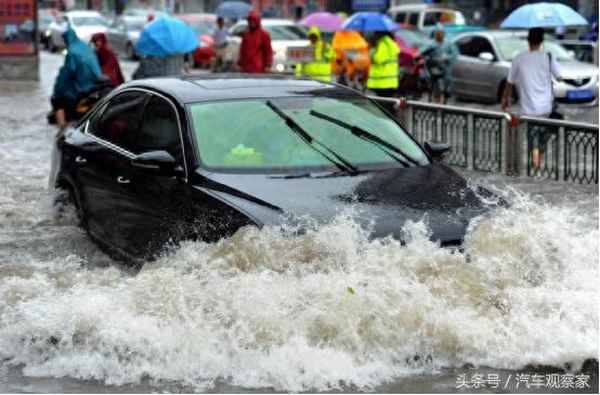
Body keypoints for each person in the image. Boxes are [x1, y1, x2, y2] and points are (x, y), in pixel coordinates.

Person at [501, 27, 563, 170]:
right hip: (546, 108)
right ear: (541, 41)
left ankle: (534, 161)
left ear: (528, 41)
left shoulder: (518, 58)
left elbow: (509, 83)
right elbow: (560, 77)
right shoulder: (548, 56)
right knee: (543, 137)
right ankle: (538, 161)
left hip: (528, 109)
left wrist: (505, 101)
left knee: (531, 138)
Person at [51, 28, 103, 131]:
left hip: (82, 87)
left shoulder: (72, 51)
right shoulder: (85, 47)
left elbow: (69, 71)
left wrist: (58, 90)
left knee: (58, 101)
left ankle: (62, 129)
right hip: (94, 84)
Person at [423, 27, 458, 103]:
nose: (439, 35)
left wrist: (447, 58)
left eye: (441, 33)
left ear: (444, 34)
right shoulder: (431, 44)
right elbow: (424, 54)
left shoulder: (448, 43)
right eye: (437, 33)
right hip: (434, 68)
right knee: (433, 83)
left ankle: (444, 99)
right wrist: (429, 59)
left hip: (445, 69)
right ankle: (433, 98)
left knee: (447, 85)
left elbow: (454, 55)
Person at [366, 31, 400, 98]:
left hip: (382, 82)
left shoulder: (383, 44)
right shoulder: (389, 43)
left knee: (384, 105)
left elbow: (380, 59)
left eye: (375, 33)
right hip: (388, 82)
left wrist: (372, 53)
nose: (374, 35)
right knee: (386, 104)